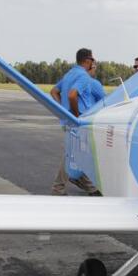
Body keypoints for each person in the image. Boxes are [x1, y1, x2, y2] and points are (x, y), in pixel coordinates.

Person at [49, 48, 105, 196]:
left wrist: (63, 109)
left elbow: (54, 91)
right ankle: (58, 188)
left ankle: (89, 186)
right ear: (88, 60)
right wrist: (75, 115)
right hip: (78, 121)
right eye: (93, 60)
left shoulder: (70, 74)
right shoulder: (84, 76)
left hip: (68, 121)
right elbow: (72, 94)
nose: (94, 63)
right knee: (73, 153)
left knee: (80, 153)